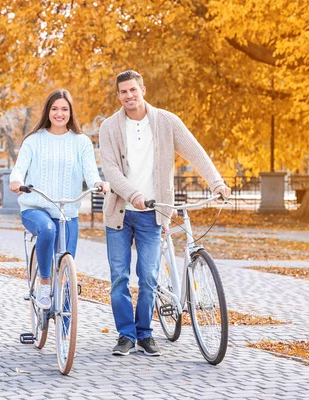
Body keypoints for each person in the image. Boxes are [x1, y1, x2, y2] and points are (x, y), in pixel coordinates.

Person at [99, 70, 231, 357]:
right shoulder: (108, 127)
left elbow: (195, 152)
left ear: (142, 89)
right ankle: (125, 335)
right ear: (118, 95)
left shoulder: (166, 122)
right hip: (120, 213)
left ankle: (145, 334)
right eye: (123, 92)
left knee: (148, 276)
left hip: (153, 213)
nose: (129, 96)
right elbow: (110, 170)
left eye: (133, 89)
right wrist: (134, 194)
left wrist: (217, 183)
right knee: (119, 277)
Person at [9, 89, 110, 309]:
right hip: (35, 208)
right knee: (47, 229)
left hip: (67, 212)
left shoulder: (81, 142)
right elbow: (19, 169)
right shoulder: (34, 141)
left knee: (66, 271)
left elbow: (91, 172)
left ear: (71, 112)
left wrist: (98, 183)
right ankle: (44, 282)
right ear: (48, 111)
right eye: (54, 108)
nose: (59, 113)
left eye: (64, 109)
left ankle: (66, 334)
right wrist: (16, 181)